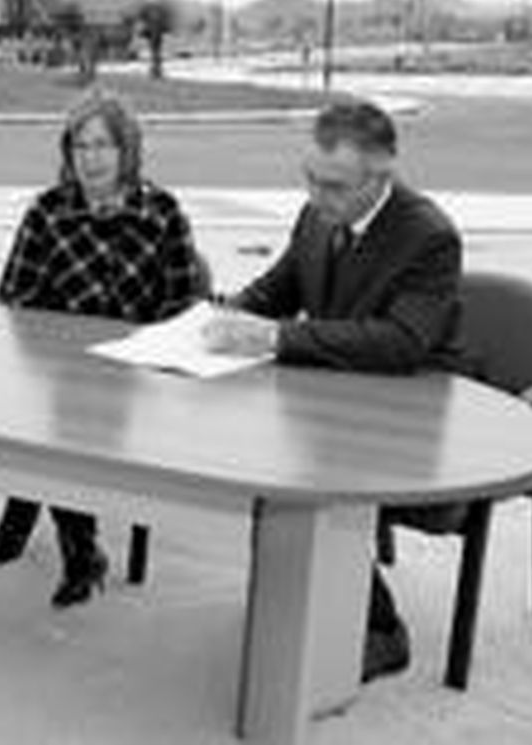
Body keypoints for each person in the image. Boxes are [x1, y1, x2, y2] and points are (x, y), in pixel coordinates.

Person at [201, 98, 463, 683]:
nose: (319, 198)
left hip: (407, 416)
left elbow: (401, 343)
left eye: (335, 186)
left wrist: (277, 337)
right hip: (328, 399)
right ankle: (305, 602)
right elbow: (274, 291)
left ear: (382, 173)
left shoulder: (429, 237)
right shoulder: (316, 216)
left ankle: (380, 631)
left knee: (303, 483)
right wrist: (216, 319)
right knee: (250, 459)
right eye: (310, 180)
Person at [0, 89, 201, 607]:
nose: (91, 158)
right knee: (62, 413)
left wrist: (143, 352)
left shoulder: (163, 212)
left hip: (137, 376)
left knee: (74, 421)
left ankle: (43, 517)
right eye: (80, 147)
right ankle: (76, 541)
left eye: (103, 146)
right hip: (57, 371)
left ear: (128, 152)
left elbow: (182, 306)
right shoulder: (48, 212)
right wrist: (57, 347)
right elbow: (13, 299)